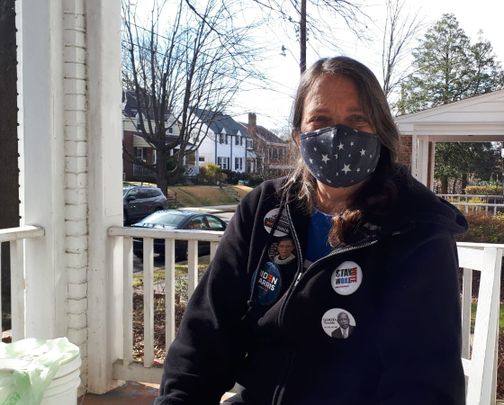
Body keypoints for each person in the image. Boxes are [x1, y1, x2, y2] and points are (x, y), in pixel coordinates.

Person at [155, 56, 468, 405]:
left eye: (357, 120)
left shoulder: (416, 230)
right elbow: (207, 335)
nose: (338, 134)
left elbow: (425, 383)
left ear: (380, 133)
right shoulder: (265, 209)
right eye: (320, 119)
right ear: (298, 136)